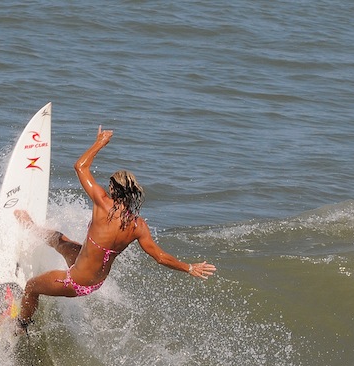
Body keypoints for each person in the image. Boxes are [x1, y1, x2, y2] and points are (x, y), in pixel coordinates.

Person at [14, 126, 216, 332]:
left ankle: (21, 325)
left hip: (74, 281)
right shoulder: (138, 225)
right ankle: (31, 227)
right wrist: (189, 268)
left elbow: (80, 167)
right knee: (61, 241)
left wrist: (100, 142)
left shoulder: (102, 203)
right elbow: (160, 257)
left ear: (113, 188)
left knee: (31, 287)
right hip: (95, 282)